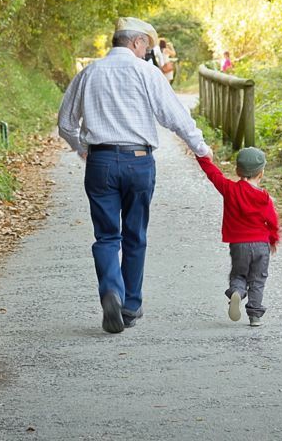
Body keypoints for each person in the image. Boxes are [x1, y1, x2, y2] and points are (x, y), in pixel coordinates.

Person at [58, 17, 212, 334]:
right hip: (139, 161)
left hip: (100, 162)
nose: (146, 53)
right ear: (136, 42)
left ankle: (111, 291)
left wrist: (82, 147)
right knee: (135, 235)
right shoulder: (147, 73)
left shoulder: (89, 73)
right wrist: (200, 148)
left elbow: (65, 123)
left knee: (106, 236)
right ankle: (129, 306)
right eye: (147, 47)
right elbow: (175, 117)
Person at [196, 147, 279, 327]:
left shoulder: (229, 189)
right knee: (258, 279)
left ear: (237, 171)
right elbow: (272, 221)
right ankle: (255, 316)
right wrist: (273, 239)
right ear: (261, 173)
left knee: (239, 274)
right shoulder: (264, 197)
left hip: (239, 244)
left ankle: (237, 292)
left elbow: (213, 174)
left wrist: (201, 155)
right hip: (261, 244)